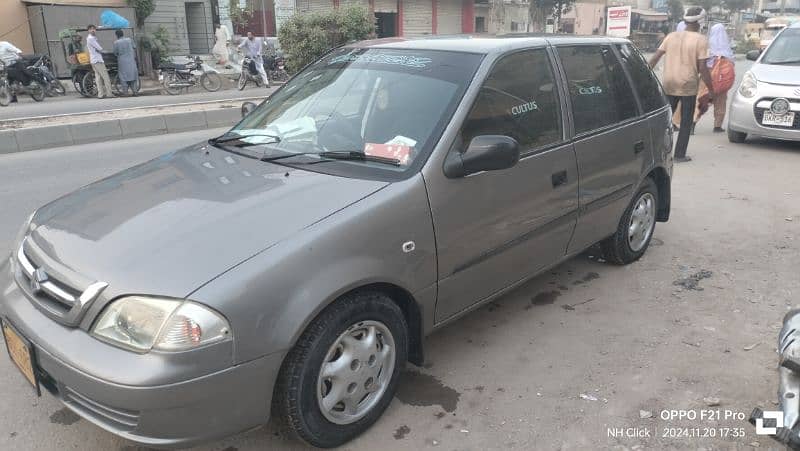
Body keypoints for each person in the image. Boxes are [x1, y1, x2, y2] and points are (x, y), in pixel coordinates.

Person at [649, 7, 715, 163]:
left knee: (664, 121)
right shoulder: (701, 40)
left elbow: (655, 58)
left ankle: (657, 153)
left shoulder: (671, 36)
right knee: (686, 121)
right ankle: (679, 155)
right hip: (688, 85)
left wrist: (644, 75)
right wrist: (711, 90)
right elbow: (703, 68)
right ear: (700, 22)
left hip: (668, 83)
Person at [694, 23, 736, 133]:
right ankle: (717, 126)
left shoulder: (707, 46)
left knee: (702, 99)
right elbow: (732, 64)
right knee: (721, 101)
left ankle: (693, 122)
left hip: (707, 76)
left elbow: (701, 63)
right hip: (721, 79)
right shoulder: (727, 49)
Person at [86, 24, 113, 99]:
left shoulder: (91, 38)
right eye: (91, 29)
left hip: (94, 60)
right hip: (97, 60)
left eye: (94, 29)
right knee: (106, 77)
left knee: (98, 78)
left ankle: (100, 94)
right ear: (88, 30)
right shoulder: (91, 38)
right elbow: (99, 48)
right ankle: (109, 94)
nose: (93, 30)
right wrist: (104, 51)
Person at [113, 29, 138, 96]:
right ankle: (135, 92)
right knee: (133, 76)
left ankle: (125, 93)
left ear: (116, 35)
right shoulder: (129, 40)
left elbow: (115, 53)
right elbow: (134, 47)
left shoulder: (116, 42)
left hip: (122, 62)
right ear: (123, 34)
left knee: (123, 77)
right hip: (131, 61)